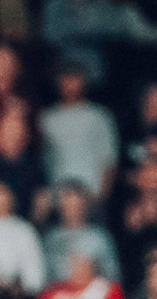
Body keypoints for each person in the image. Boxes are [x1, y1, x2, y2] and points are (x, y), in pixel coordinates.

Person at [40, 63, 119, 205]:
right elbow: (44, 159)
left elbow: (109, 160)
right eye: (65, 78)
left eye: (75, 78)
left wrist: (102, 197)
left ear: (84, 81)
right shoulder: (47, 117)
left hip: (92, 195)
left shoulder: (99, 116)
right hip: (58, 197)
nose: (70, 83)